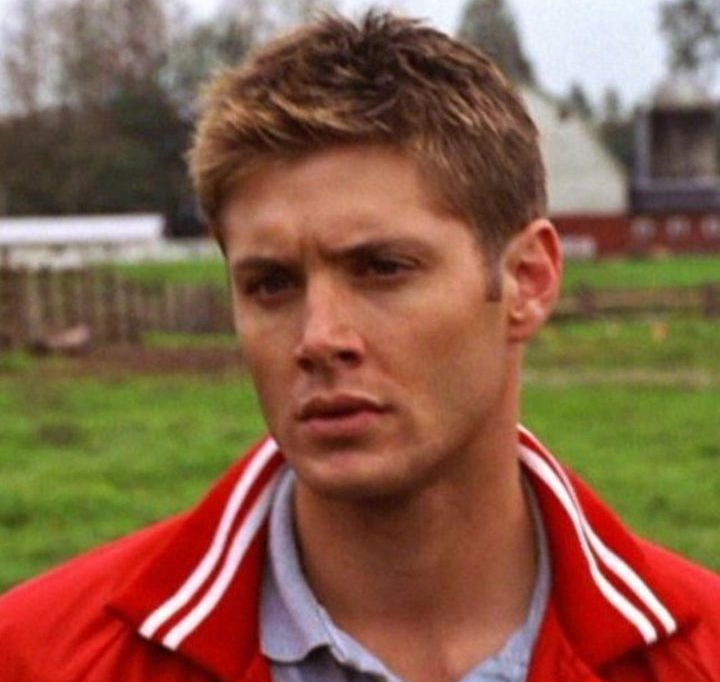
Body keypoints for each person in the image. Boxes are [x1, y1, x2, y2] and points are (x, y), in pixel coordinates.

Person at [0, 11, 718, 682]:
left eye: (383, 269)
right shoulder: (42, 658)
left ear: (526, 281)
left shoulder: (696, 655)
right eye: (271, 284)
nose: (319, 339)